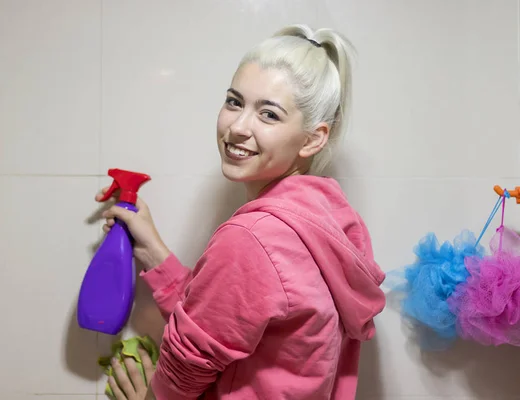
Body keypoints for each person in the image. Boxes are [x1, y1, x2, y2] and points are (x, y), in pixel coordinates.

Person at [98, 24, 386, 400]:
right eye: (234, 102)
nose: (236, 127)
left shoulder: (253, 237)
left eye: (268, 115)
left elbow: (192, 357)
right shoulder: (326, 219)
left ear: (314, 137)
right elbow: (231, 312)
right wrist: (153, 250)